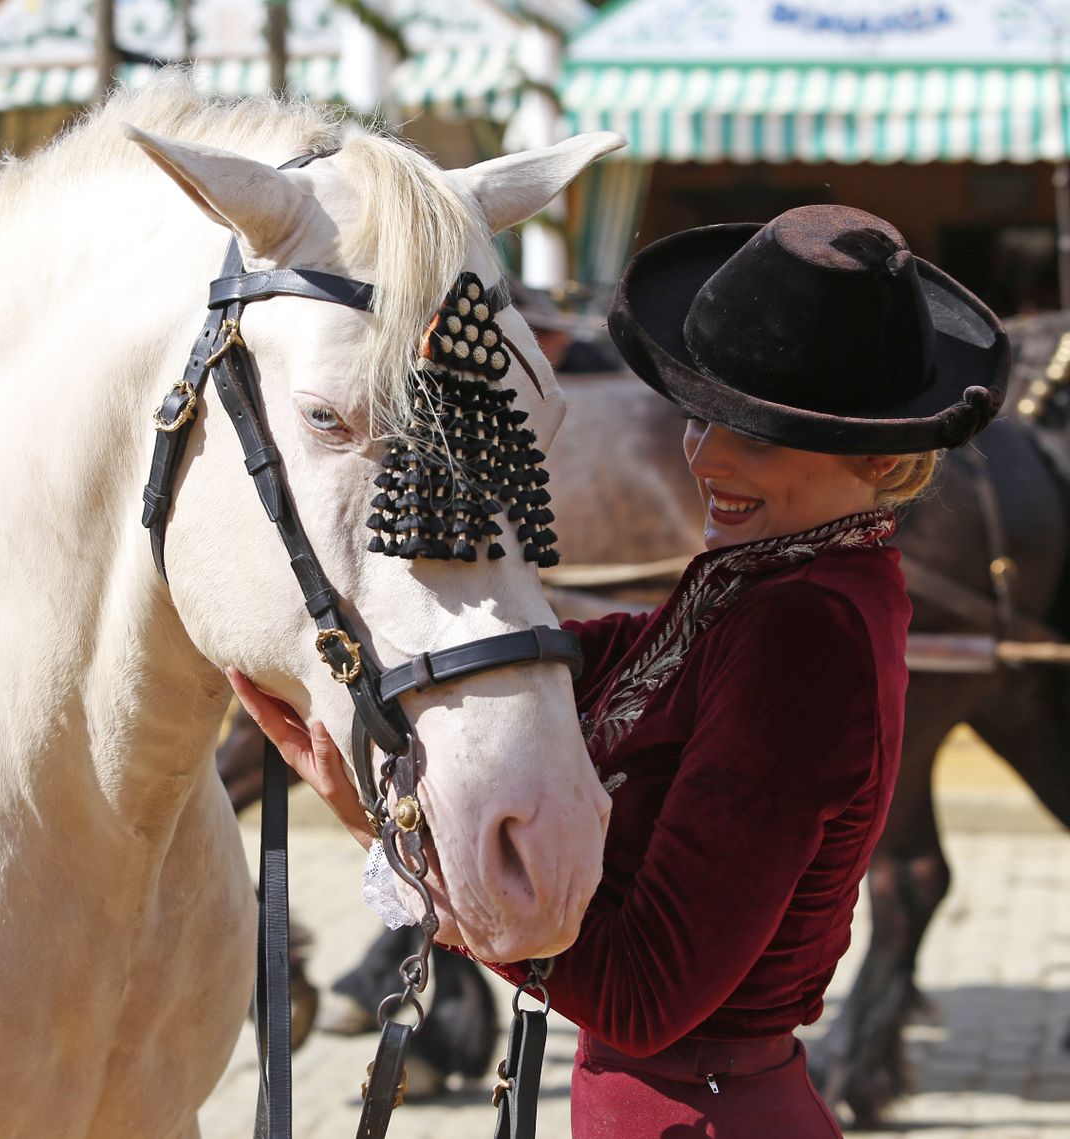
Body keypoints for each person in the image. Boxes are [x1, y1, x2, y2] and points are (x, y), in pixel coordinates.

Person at [227, 203, 1009, 1136]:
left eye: (754, 435)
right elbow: (598, 656)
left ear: (878, 454)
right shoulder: (778, 579)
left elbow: (644, 997)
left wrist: (398, 848)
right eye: (700, 416)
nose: (706, 457)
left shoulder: (804, 631)